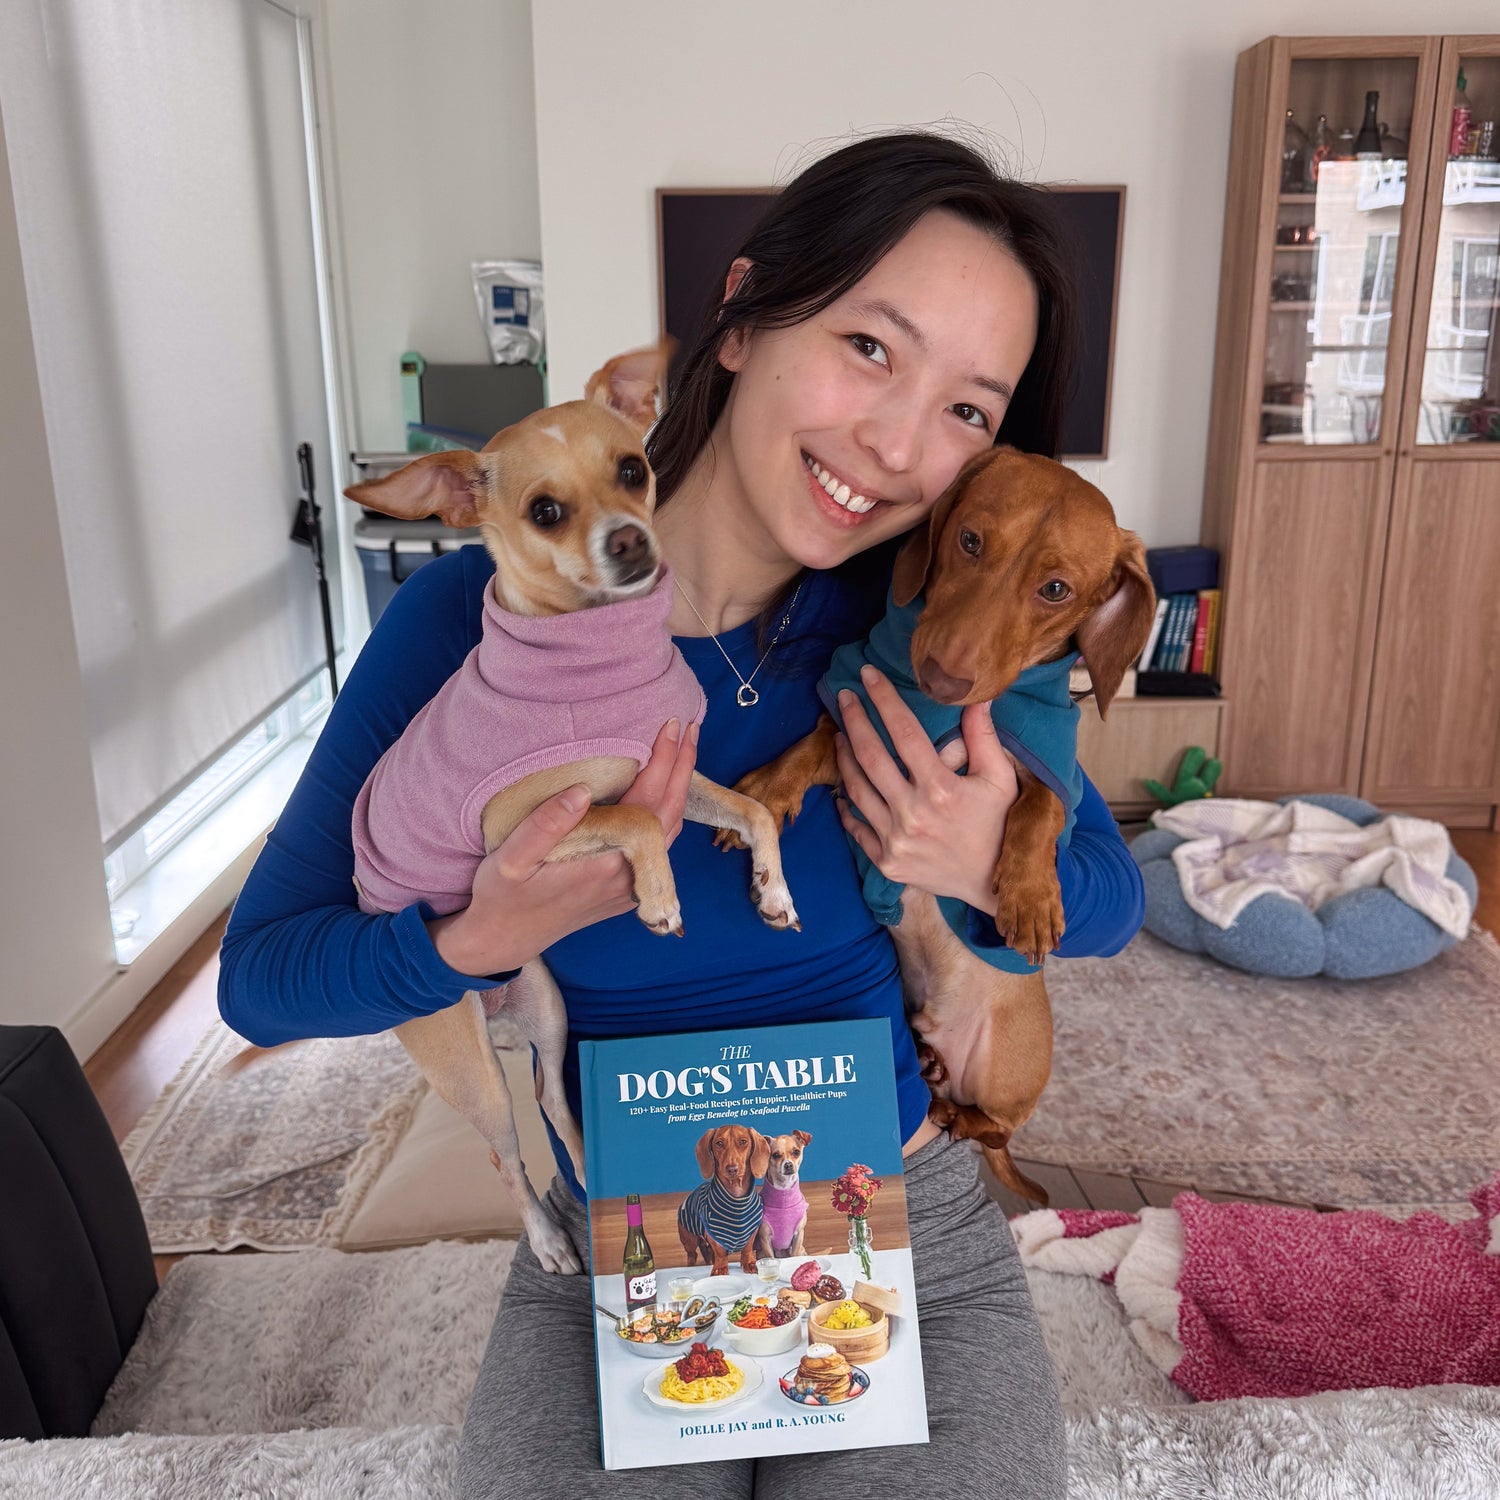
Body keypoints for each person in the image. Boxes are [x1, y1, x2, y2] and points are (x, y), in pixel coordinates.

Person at [218, 130, 1144, 1499]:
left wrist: (970, 854)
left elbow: (1112, 900)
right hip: (621, 1248)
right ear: (744, 317)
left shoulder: (916, 631)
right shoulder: (470, 630)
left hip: (899, 1229)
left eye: (967, 409)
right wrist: (476, 937)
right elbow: (261, 979)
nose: (897, 444)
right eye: (872, 350)